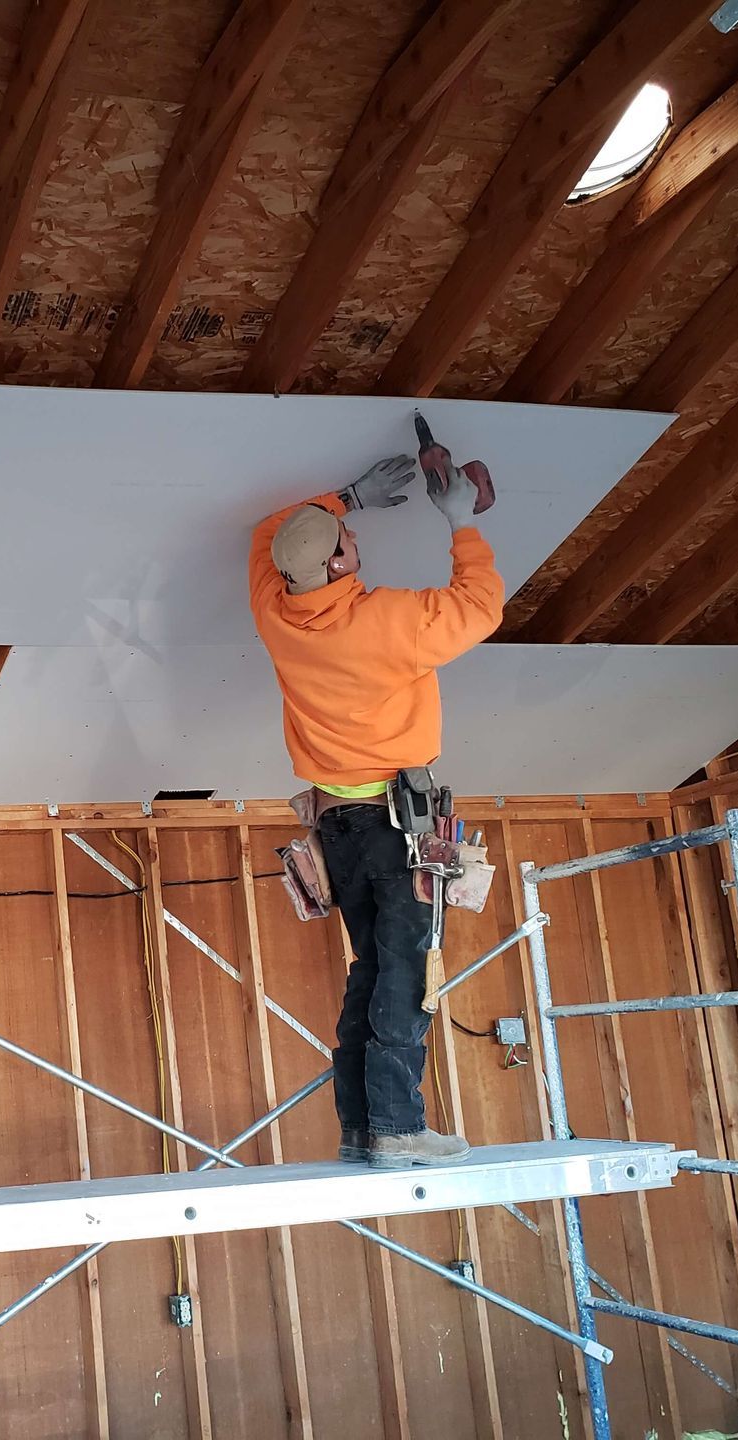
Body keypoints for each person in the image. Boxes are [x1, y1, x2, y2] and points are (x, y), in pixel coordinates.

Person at [249, 453, 503, 1167]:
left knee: (372, 967)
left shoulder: (276, 614)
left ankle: (361, 1126)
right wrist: (459, 522)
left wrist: (347, 499)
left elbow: (270, 534)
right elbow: (481, 606)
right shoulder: (387, 620)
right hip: (398, 828)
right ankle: (396, 1125)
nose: (354, 537)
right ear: (336, 566)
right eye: (346, 539)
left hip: (337, 830)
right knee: (405, 972)